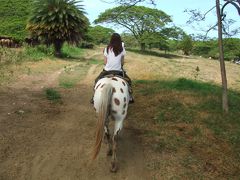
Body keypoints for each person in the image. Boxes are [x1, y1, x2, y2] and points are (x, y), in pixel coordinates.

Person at [91, 33, 134, 104]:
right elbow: (122, 62)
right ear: (119, 40)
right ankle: (130, 97)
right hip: (118, 71)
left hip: (107, 71)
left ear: (111, 40)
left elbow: (105, 62)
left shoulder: (107, 48)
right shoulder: (122, 49)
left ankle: (93, 97)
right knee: (129, 81)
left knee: (96, 81)